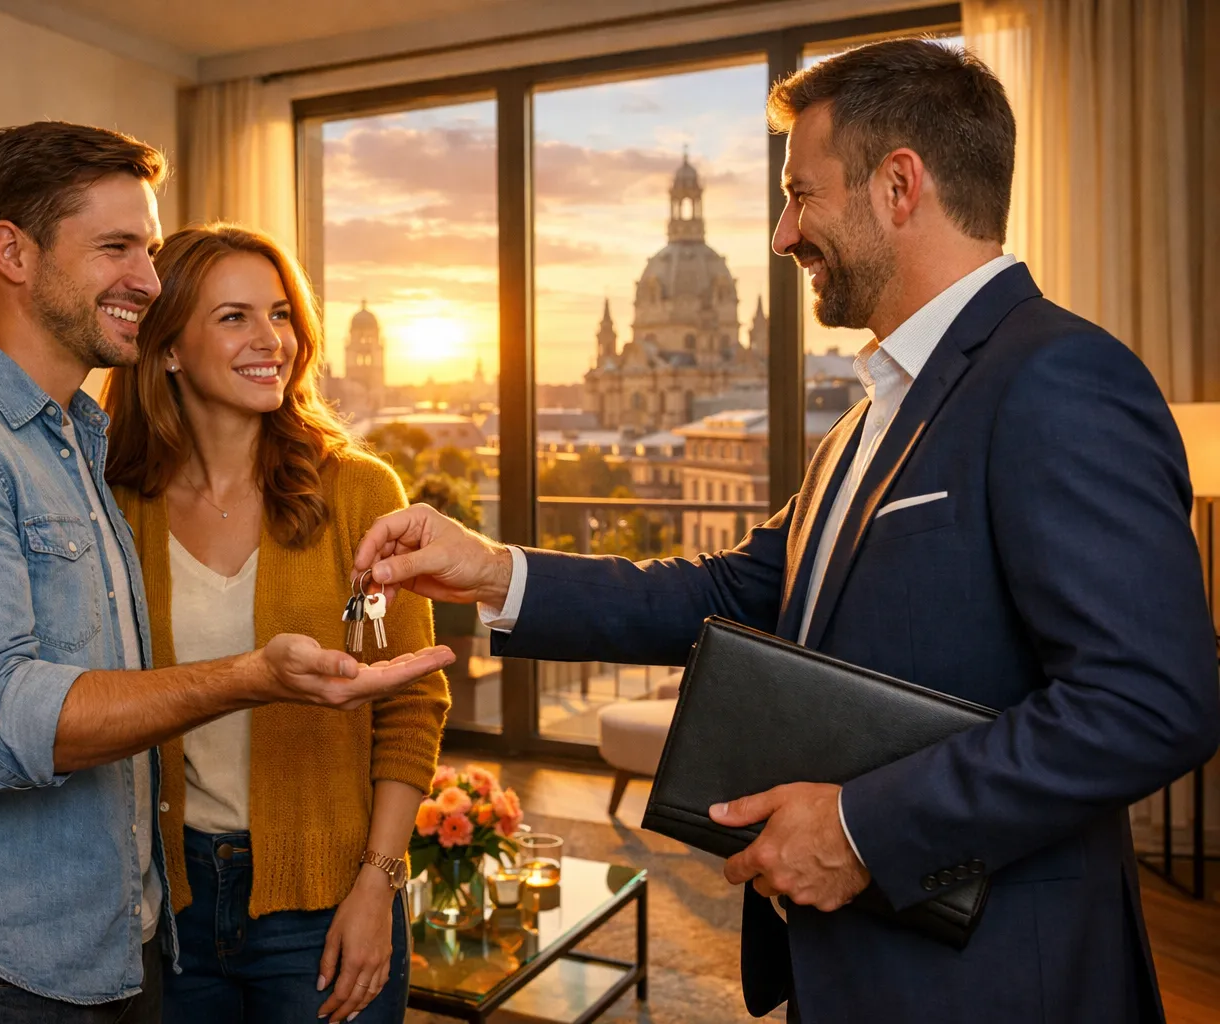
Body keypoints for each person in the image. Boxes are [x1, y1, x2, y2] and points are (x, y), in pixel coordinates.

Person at [349, 39, 1220, 1024]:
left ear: (900, 186)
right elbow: (728, 593)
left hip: (999, 978)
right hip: (859, 967)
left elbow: (1153, 699)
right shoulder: (867, 416)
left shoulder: (1058, 376)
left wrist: (858, 829)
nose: (780, 233)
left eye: (802, 194)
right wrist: (495, 569)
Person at [0, 122, 452, 1024]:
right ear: (14, 253)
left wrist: (378, 880)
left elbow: (405, 705)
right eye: (118, 248)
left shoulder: (77, 448)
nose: (144, 279)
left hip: (148, 926)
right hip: (74, 938)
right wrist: (251, 678)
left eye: (148, 251)